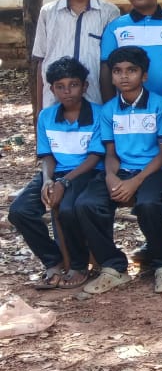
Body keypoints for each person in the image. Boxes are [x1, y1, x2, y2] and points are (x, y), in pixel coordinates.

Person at [78, 46, 162, 294]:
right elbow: (111, 153)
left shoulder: (160, 105)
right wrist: (111, 176)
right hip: (121, 169)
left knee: (148, 204)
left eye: (131, 70)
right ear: (111, 76)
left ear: (144, 75)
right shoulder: (108, 110)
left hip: (155, 169)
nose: (124, 76)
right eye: (117, 71)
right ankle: (113, 266)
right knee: (87, 203)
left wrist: (137, 181)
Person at [9, 58, 103, 290]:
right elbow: (47, 156)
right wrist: (47, 180)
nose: (67, 91)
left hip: (86, 171)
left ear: (84, 86)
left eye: (73, 85)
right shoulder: (46, 116)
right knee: (20, 211)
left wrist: (63, 182)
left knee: (68, 209)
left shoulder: (99, 114)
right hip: (57, 171)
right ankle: (53, 261)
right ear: (52, 89)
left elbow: (94, 157)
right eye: (60, 86)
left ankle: (79, 265)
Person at [31, 0, 119, 110]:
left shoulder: (109, 12)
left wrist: (110, 105)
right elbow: (41, 59)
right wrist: (39, 110)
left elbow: (111, 62)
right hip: (54, 97)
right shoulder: (48, 12)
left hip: (94, 95)